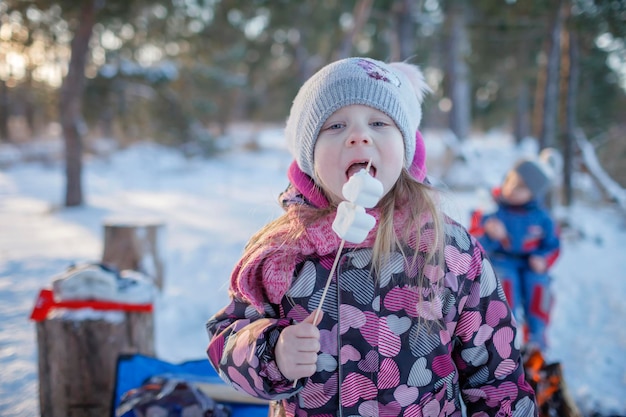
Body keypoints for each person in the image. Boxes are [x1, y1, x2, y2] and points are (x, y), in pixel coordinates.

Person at [206, 57, 538, 416]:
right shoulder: (280, 253)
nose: (359, 136)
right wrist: (272, 352)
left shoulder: (450, 250)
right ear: (309, 159)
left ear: (408, 147)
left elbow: (496, 379)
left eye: (379, 123)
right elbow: (226, 336)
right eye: (335, 126)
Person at [469, 158, 560, 353]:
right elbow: (472, 243)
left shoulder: (542, 217)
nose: (511, 189)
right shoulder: (491, 208)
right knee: (504, 285)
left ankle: (536, 336)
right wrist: (490, 234)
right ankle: (504, 335)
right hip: (501, 260)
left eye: (521, 188)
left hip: (530, 263)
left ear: (533, 193)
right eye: (510, 180)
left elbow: (553, 245)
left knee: (538, 286)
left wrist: (543, 259)